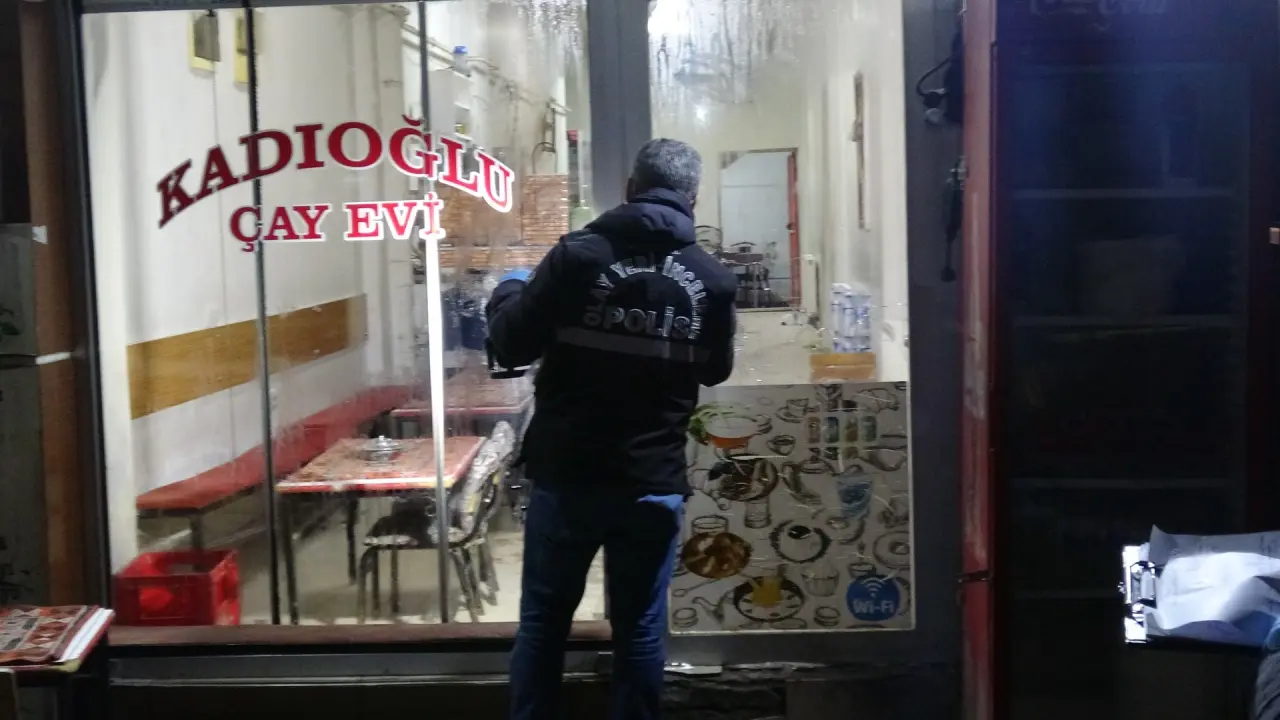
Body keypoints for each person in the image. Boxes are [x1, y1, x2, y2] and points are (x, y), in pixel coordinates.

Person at [487, 138, 738, 720]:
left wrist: (510, 290)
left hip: (568, 477)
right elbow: (715, 369)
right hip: (651, 481)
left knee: (545, 624)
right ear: (693, 200)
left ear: (630, 189)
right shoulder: (713, 280)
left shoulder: (576, 257)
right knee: (640, 630)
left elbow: (511, 343)